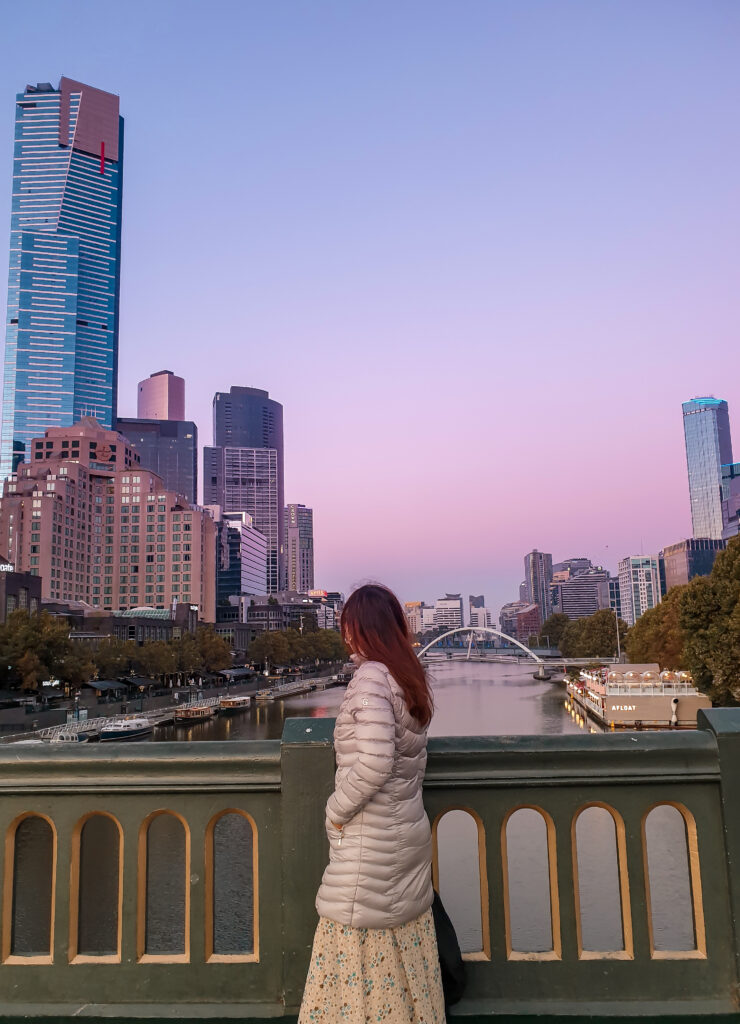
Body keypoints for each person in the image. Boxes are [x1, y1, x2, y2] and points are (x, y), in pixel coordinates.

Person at [299, 583, 445, 1024]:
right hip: (407, 834)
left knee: (355, 946)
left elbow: (375, 763)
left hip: (371, 842)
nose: (345, 639)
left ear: (364, 630)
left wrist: (335, 810)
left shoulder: (370, 678)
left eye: (348, 629)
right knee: (400, 949)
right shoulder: (407, 677)